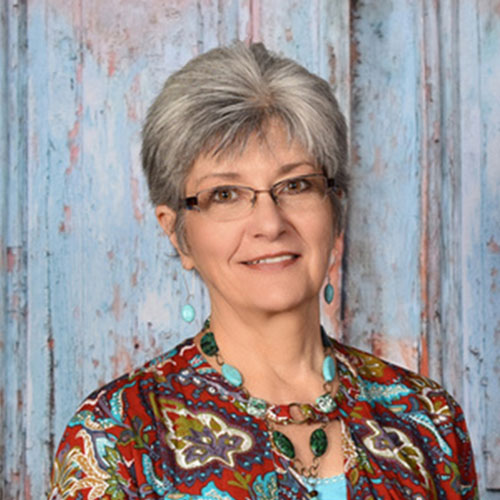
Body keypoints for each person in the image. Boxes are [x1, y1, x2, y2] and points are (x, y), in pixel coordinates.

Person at [49, 43, 478, 500]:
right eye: (225, 194)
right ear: (176, 233)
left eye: (296, 185)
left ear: (335, 209)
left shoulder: (427, 418)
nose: (270, 224)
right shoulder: (117, 435)